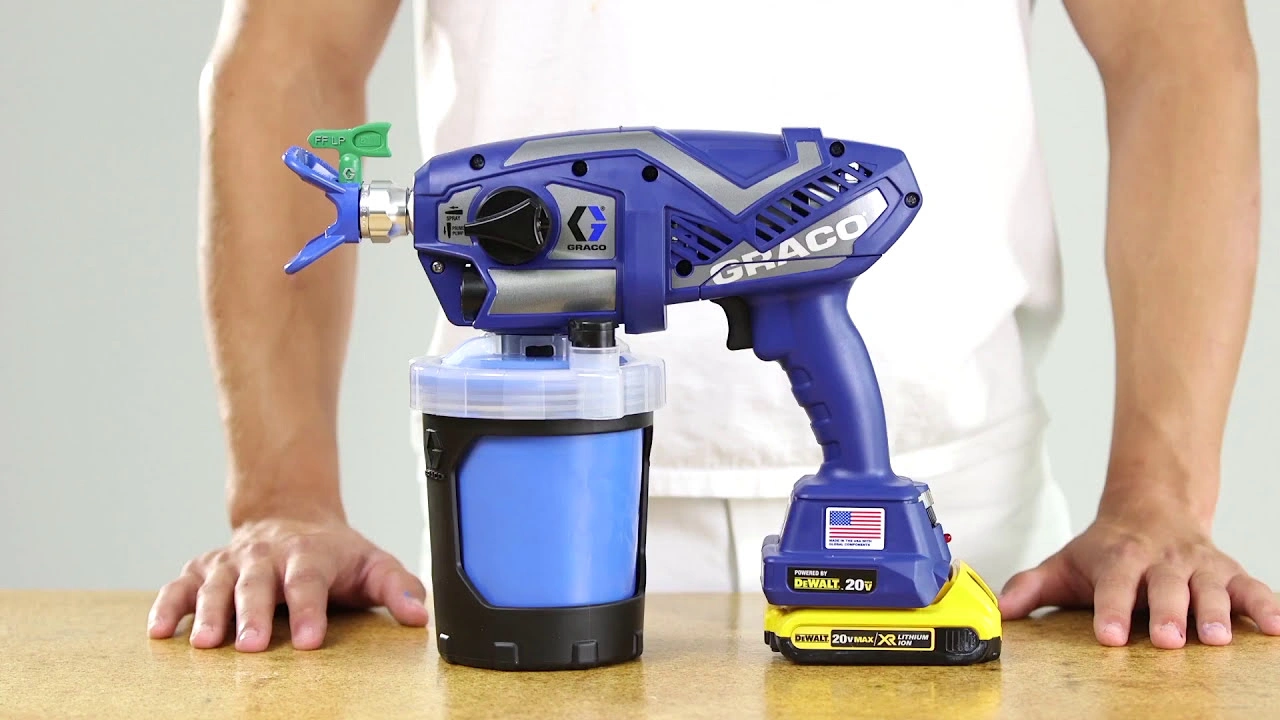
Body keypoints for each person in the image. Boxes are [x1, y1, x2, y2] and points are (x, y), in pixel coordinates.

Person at [150, 0, 1277, 654]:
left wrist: (1159, 497)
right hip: (530, 489)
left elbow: (1173, 55)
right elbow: (297, 57)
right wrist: (285, 495)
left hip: (963, 507)